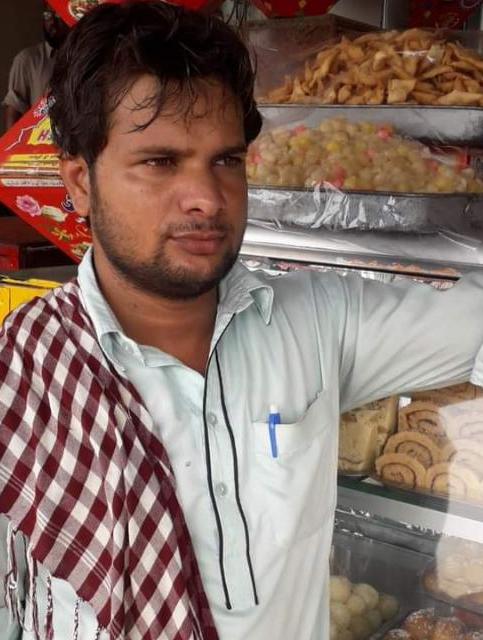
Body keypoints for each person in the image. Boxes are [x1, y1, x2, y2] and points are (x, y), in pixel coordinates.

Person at [1, 2, 483, 639]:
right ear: (81, 183)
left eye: (226, 160)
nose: (207, 198)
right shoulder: (24, 373)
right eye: (160, 161)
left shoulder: (315, 322)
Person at [3, 2, 69, 130]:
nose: (52, 22)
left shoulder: (87, 59)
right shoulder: (27, 60)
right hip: (40, 140)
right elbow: (14, 112)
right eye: (48, 15)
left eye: (58, 15)